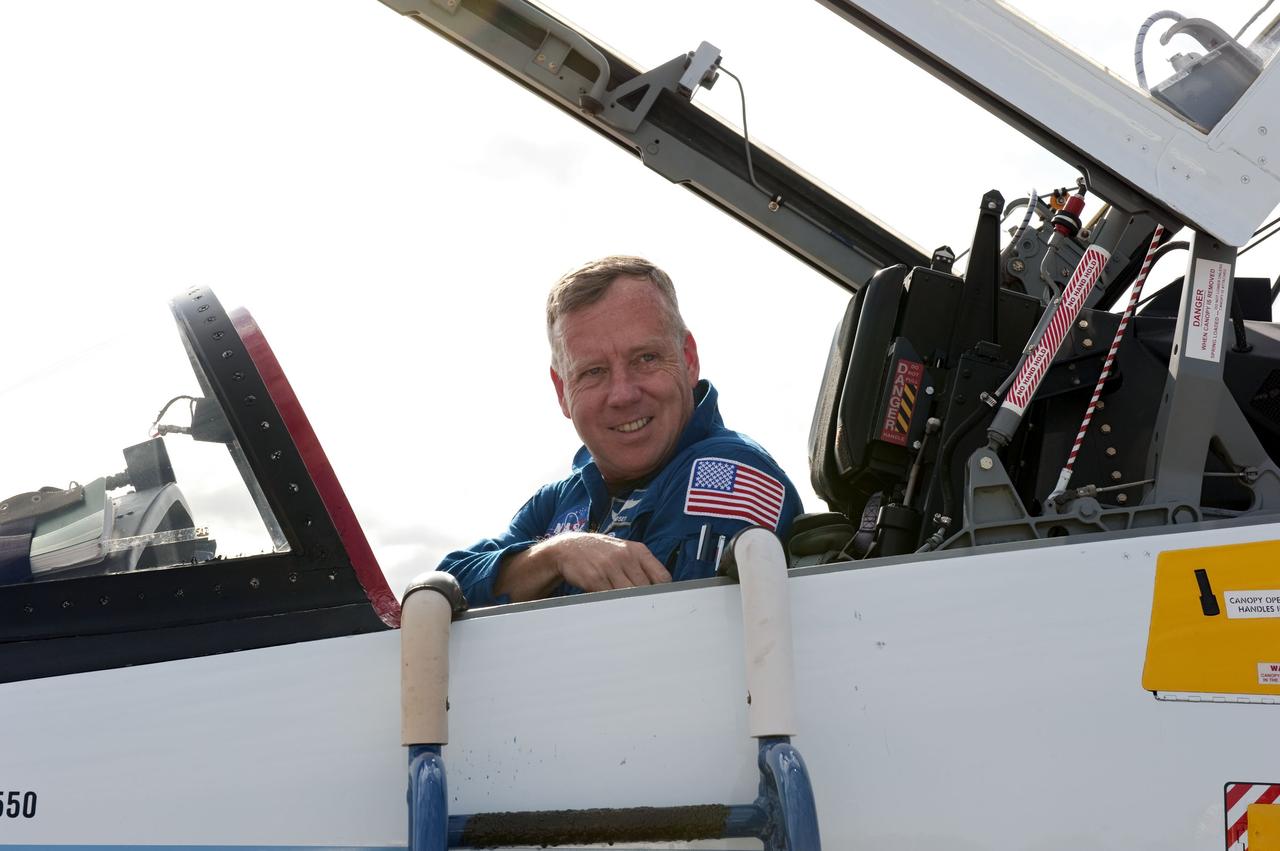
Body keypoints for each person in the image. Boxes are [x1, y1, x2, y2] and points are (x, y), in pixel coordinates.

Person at [438, 256, 803, 606]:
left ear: (688, 359)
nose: (623, 394)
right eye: (593, 371)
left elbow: (668, 635)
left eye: (645, 358)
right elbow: (442, 590)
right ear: (562, 390)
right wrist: (556, 555)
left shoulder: (726, 472)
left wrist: (529, 580)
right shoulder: (563, 498)